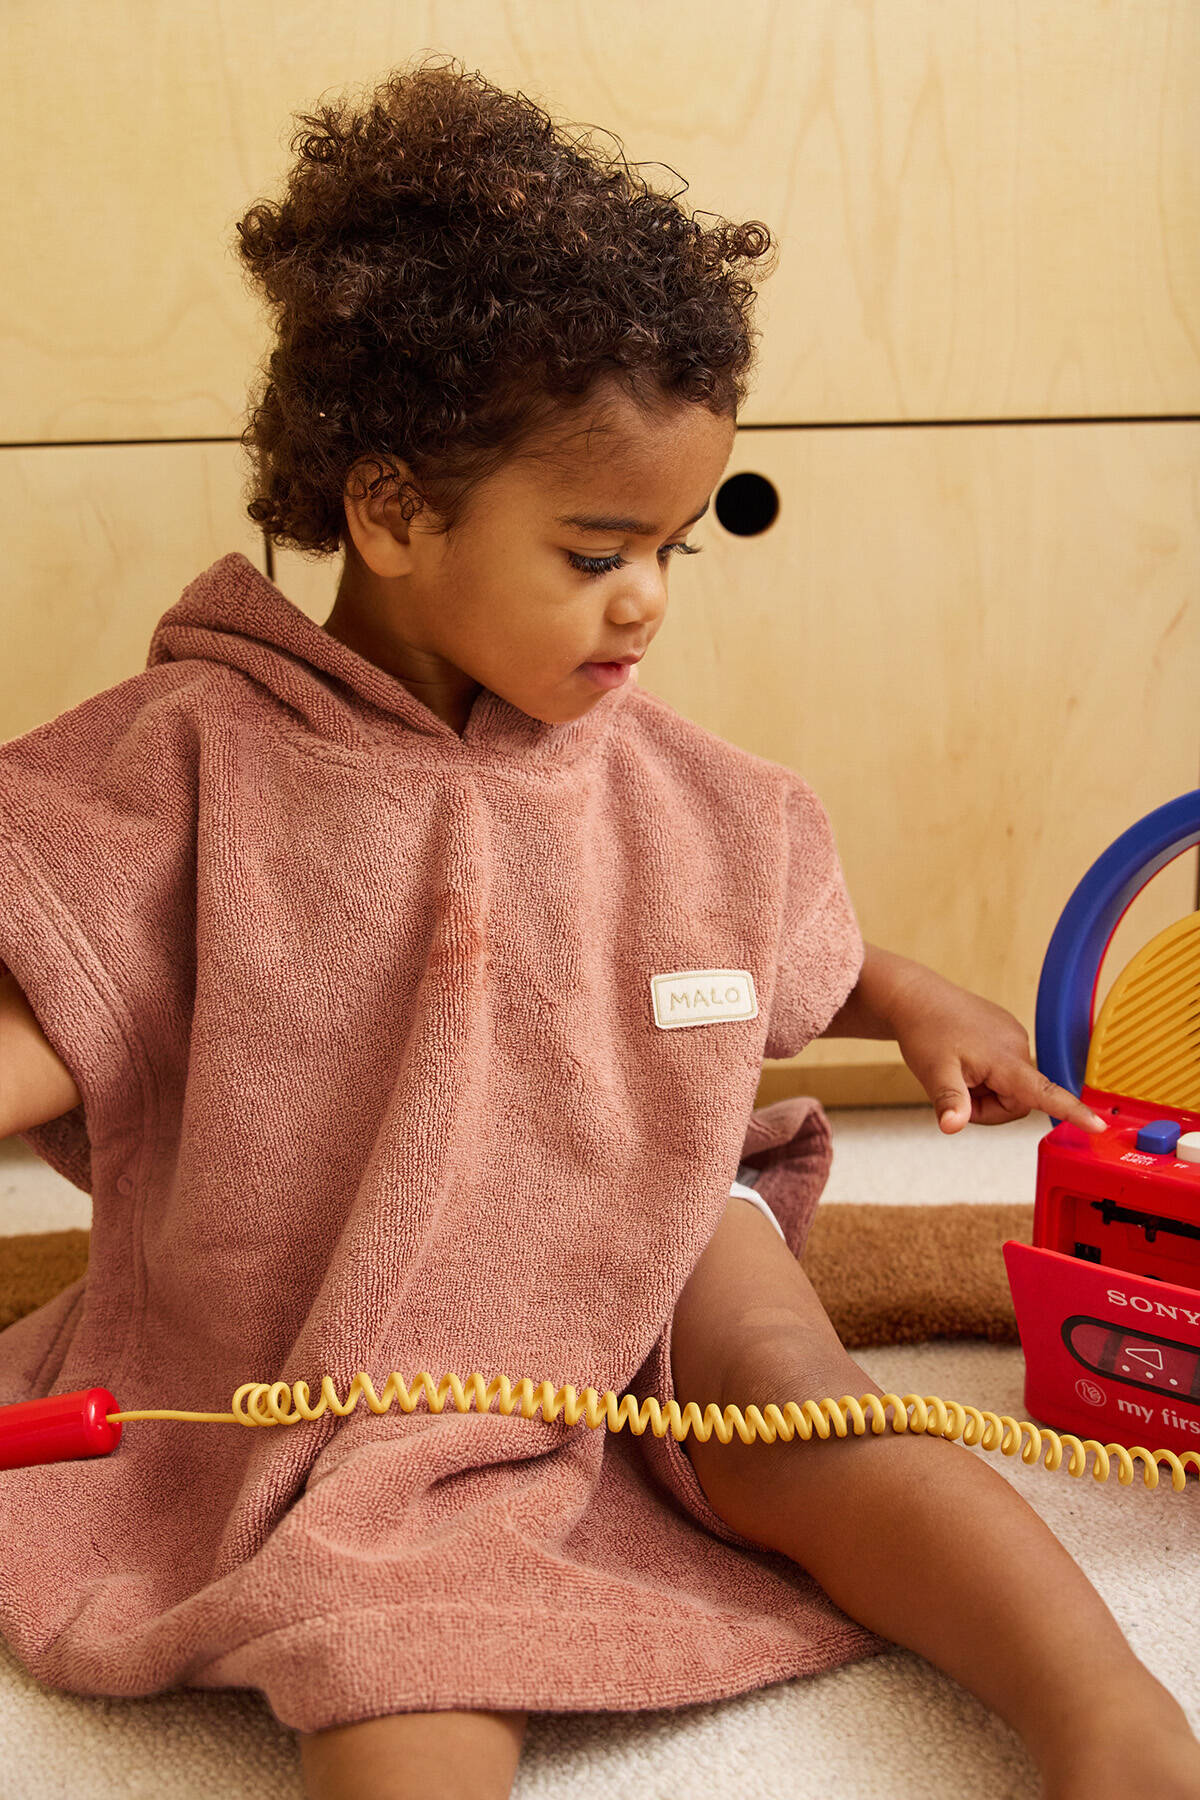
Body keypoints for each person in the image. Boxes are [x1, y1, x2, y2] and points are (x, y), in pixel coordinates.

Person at [1, 53, 1197, 1800]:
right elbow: (73, 1000)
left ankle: (1117, 1722)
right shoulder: (189, 762)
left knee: (803, 1401)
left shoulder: (661, 777)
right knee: (385, 1622)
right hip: (353, 1294)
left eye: (676, 550)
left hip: (649, 1201)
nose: (644, 599)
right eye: (593, 550)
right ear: (393, 509)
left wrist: (909, 994)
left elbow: (742, 948)